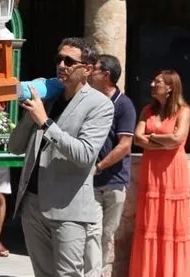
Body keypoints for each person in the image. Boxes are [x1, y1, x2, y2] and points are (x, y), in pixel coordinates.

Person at [9, 37, 114, 277]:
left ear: (87, 69)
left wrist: (45, 123)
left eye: (69, 61)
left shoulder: (100, 105)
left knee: (68, 274)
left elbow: (85, 154)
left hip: (68, 209)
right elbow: (15, 147)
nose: (62, 65)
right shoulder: (49, 99)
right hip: (32, 204)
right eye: (59, 59)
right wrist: (31, 112)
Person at [129, 70, 190, 277]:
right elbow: (137, 138)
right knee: (151, 220)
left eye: (157, 82)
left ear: (170, 87)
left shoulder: (183, 111)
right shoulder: (147, 110)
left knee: (172, 223)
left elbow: (178, 139)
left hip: (172, 171)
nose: (152, 84)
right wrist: (163, 141)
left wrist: (152, 137)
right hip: (152, 170)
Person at [86, 55, 136, 277]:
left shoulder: (124, 105)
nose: (90, 73)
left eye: (94, 69)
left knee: (106, 234)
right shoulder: (92, 101)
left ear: (106, 75)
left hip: (114, 182)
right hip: (92, 182)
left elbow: (125, 146)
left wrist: (98, 167)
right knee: (91, 232)